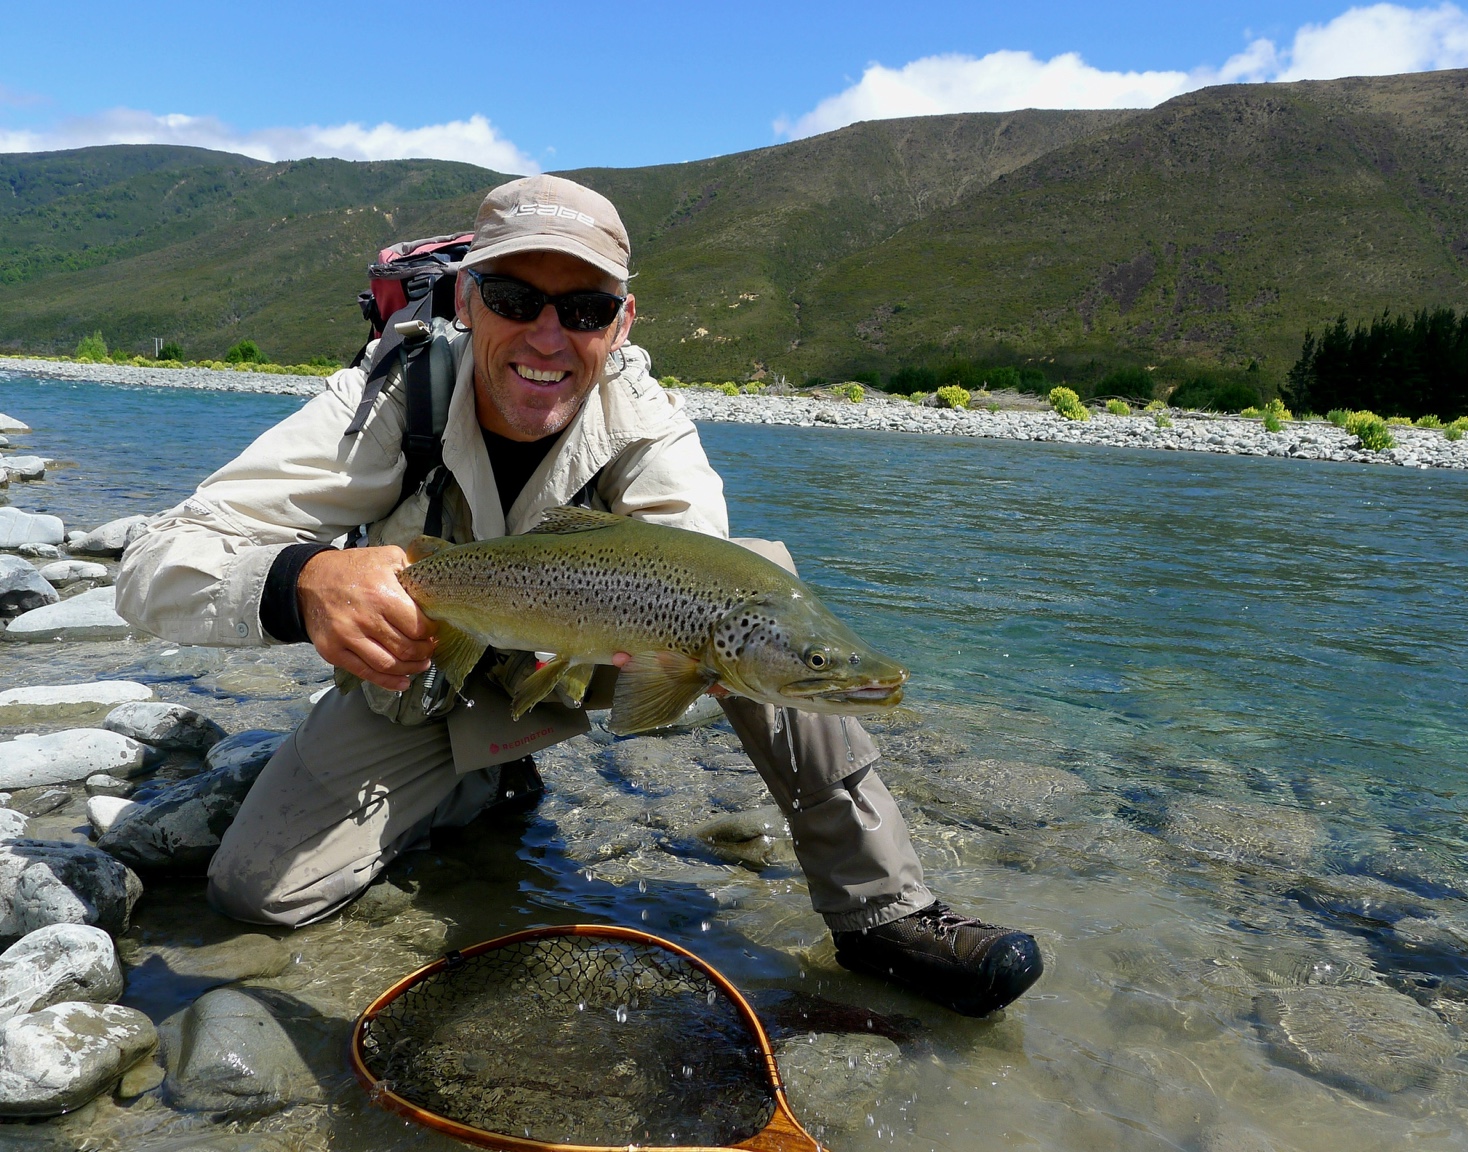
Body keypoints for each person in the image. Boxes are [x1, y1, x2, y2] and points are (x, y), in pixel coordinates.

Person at [117, 175, 1043, 1017]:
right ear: (471, 300)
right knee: (258, 895)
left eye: (586, 308)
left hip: (591, 659)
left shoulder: (647, 428)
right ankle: (478, 781)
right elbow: (152, 562)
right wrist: (304, 580)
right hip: (433, 664)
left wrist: (701, 664)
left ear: (623, 320)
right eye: (517, 299)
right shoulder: (390, 401)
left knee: (758, 589)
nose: (548, 337)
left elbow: (706, 570)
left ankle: (886, 911)